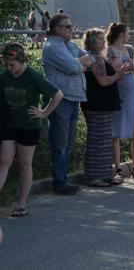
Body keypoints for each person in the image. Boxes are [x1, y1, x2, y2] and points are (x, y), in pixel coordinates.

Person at [0, 43, 64, 217]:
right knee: (4, 161)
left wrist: (44, 113)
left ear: (21, 61)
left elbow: (57, 95)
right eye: (6, 64)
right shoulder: (4, 76)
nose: (9, 68)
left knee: (24, 164)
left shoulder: (32, 76)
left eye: (12, 65)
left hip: (29, 126)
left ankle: (21, 204)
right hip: (9, 125)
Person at [42, 13, 92, 195]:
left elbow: (90, 59)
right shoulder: (52, 47)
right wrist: (79, 64)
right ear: (57, 29)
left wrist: (78, 63)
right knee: (60, 143)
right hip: (60, 100)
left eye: (71, 26)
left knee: (68, 142)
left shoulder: (69, 45)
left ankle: (63, 178)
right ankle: (60, 182)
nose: (72, 29)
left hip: (73, 98)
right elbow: (73, 68)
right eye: (68, 27)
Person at [82, 28, 127, 187]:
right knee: (97, 140)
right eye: (100, 38)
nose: (104, 41)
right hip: (97, 105)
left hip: (103, 105)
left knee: (105, 140)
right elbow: (102, 81)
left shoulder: (98, 57)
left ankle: (105, 175)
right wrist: (118, 75)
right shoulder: (93, 59)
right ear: (92, 41)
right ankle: (94, 176)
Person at [105, 22, 134, 181]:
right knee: (116, 134)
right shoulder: (109, 50)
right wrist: (123, 68)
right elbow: (113, 68)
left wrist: (125, 67)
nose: (129, 36)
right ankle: (118, 170)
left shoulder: (129, 49)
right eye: (127, 33)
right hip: (118, 96)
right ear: (121, 35)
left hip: (133, 96)